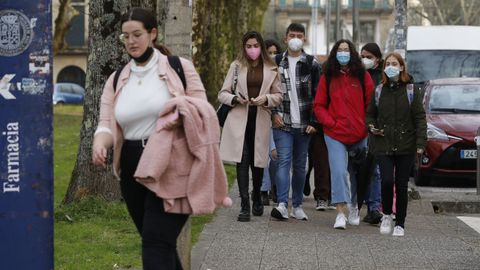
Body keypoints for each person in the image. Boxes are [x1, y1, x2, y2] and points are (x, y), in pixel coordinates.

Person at [91, 8, 231, 270]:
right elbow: (106, 125)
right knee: (158, 243)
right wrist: (100, 143)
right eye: (126, 36)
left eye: (137, 34)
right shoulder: (117, 79)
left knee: (156, 243)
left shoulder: (180, 68)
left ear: (152, 34)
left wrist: (179, 116)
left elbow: (204, 114)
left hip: (173, 163)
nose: (131, 41)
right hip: (133, 167)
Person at [218, 31, 283, 222]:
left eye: (255, 46)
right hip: (240, 117)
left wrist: (266, 99)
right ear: (243, 47)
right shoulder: (236, 66)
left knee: (258, 161)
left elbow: (279, 95)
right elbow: (222, 93)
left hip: (260, 116)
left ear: (261, 47)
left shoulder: (271, 67)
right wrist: (236, 98)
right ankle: (245, 205)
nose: (252, 50)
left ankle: (256, 196)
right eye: (248, 46)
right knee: (242, 159)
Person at [313, 39, 374, 229]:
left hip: (359, 133)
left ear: (352, 53)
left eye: (346, 50)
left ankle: (355, 206)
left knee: (357, 173)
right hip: (335, 133)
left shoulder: (363, 76)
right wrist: (330, 123)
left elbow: (371, 104)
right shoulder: (328, 76)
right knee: (339, 171)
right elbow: (319, 105)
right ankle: (340, 213)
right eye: (340, 50)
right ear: (334, 53)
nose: (343, 53)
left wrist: (365, 125)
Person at [366, 52, 427, 237]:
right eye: (387, 64)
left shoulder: (411, 90)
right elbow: (370, 114)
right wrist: (372, 127)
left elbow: (420, 118)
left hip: (406, 144)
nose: (390, 66)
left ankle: (400, 223)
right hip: (383, 143)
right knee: (386, 181)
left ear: (401, 67)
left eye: (394, 63)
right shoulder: (378, 90)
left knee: (401, 185)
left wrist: (420, 143)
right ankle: (386, 215)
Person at [270, 23, 321, 221]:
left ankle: (297, 205)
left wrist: (314, 122)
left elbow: (319, 95)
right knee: (283, 161)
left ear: (305, 39)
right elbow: (269, 91)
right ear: (285, 38)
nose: (295, 38)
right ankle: (282, 204)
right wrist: (273, 113)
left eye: (299, 35)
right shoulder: (274, 62)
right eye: (292, 35)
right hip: (282, 122)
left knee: (301, 166)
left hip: (305, 125)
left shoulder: (312, 63)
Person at [359, 43, 384, 225]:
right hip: (359, 128)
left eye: (368, 56)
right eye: (362, 56)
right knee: (361, 169)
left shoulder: (384, 78)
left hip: (377, 129)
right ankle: (359, 203)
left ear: (377, 58)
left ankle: (374, 207)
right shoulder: (358, 75)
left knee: (375, 170)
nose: (364, 60)